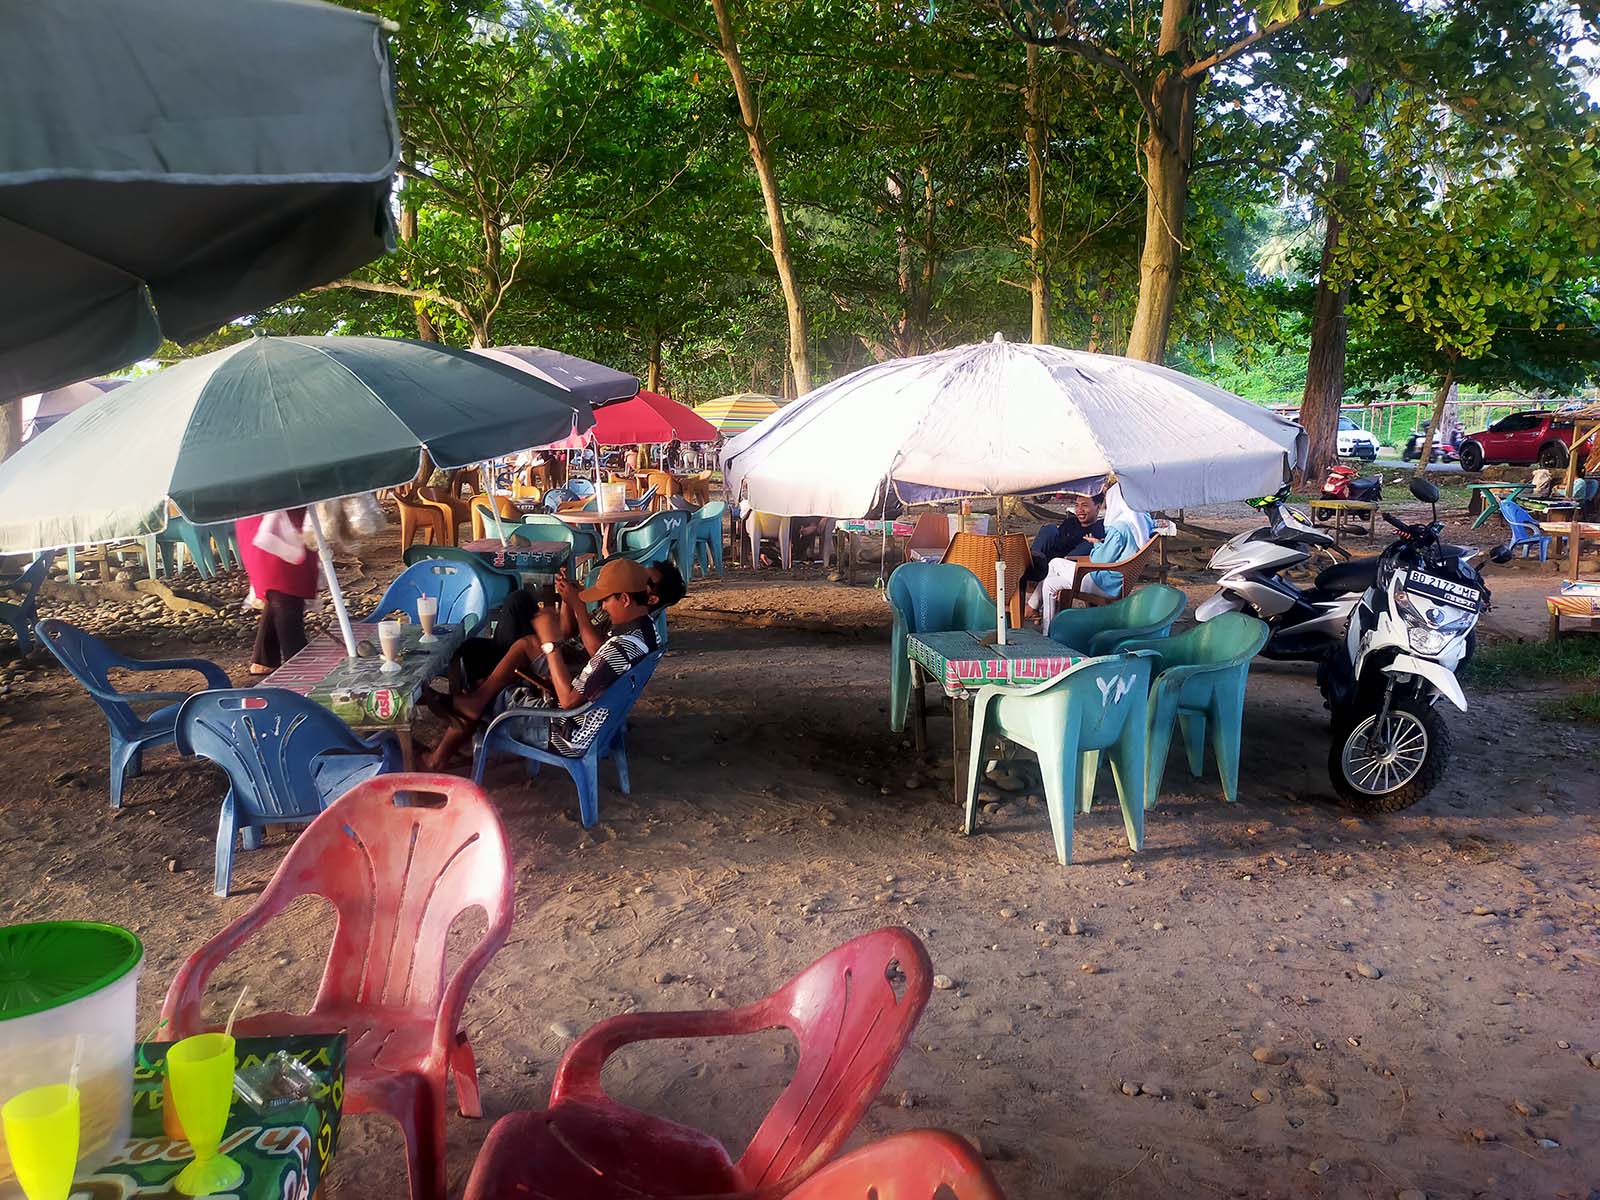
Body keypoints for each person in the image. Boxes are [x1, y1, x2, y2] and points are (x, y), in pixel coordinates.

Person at [422, 559, 681, 769]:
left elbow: (568, 701)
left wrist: (551, 644)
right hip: (592, 720)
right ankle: (461, 721)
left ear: (625, 599)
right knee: (504, 665)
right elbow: (589, 681)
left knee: (484, 684)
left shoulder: (617, 648)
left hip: (565, 732)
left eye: (606, 600)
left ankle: (439, 755)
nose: (602, 605)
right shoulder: (646, 632)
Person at [1027, 482, 1153, 628]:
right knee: (1050, 583)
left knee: (1055, 563)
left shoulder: (1119, 529)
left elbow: (1099, 559)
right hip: (1115, 581)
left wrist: (1096, 545)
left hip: (1105, 584)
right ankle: (1048, 629)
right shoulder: (1138, 523)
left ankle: (1031, 607)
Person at [236, 508, 319, 675]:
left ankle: (264, 659)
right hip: (272, 522)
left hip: (284, 520)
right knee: (285, 587)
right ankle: (299, 666)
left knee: (282, 588)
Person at [1023, 492, 1105, 587]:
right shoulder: (1070, 522)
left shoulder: (1100, 528)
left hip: (1068, 567)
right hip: (1045, 563)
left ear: (1098, 507)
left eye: (1085, 505)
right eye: (1077, 505)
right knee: (1049, 528)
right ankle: (1033, 563)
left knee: (1090, 543)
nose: (1079, 510)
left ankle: (1051, 572)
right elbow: (1056, 542)